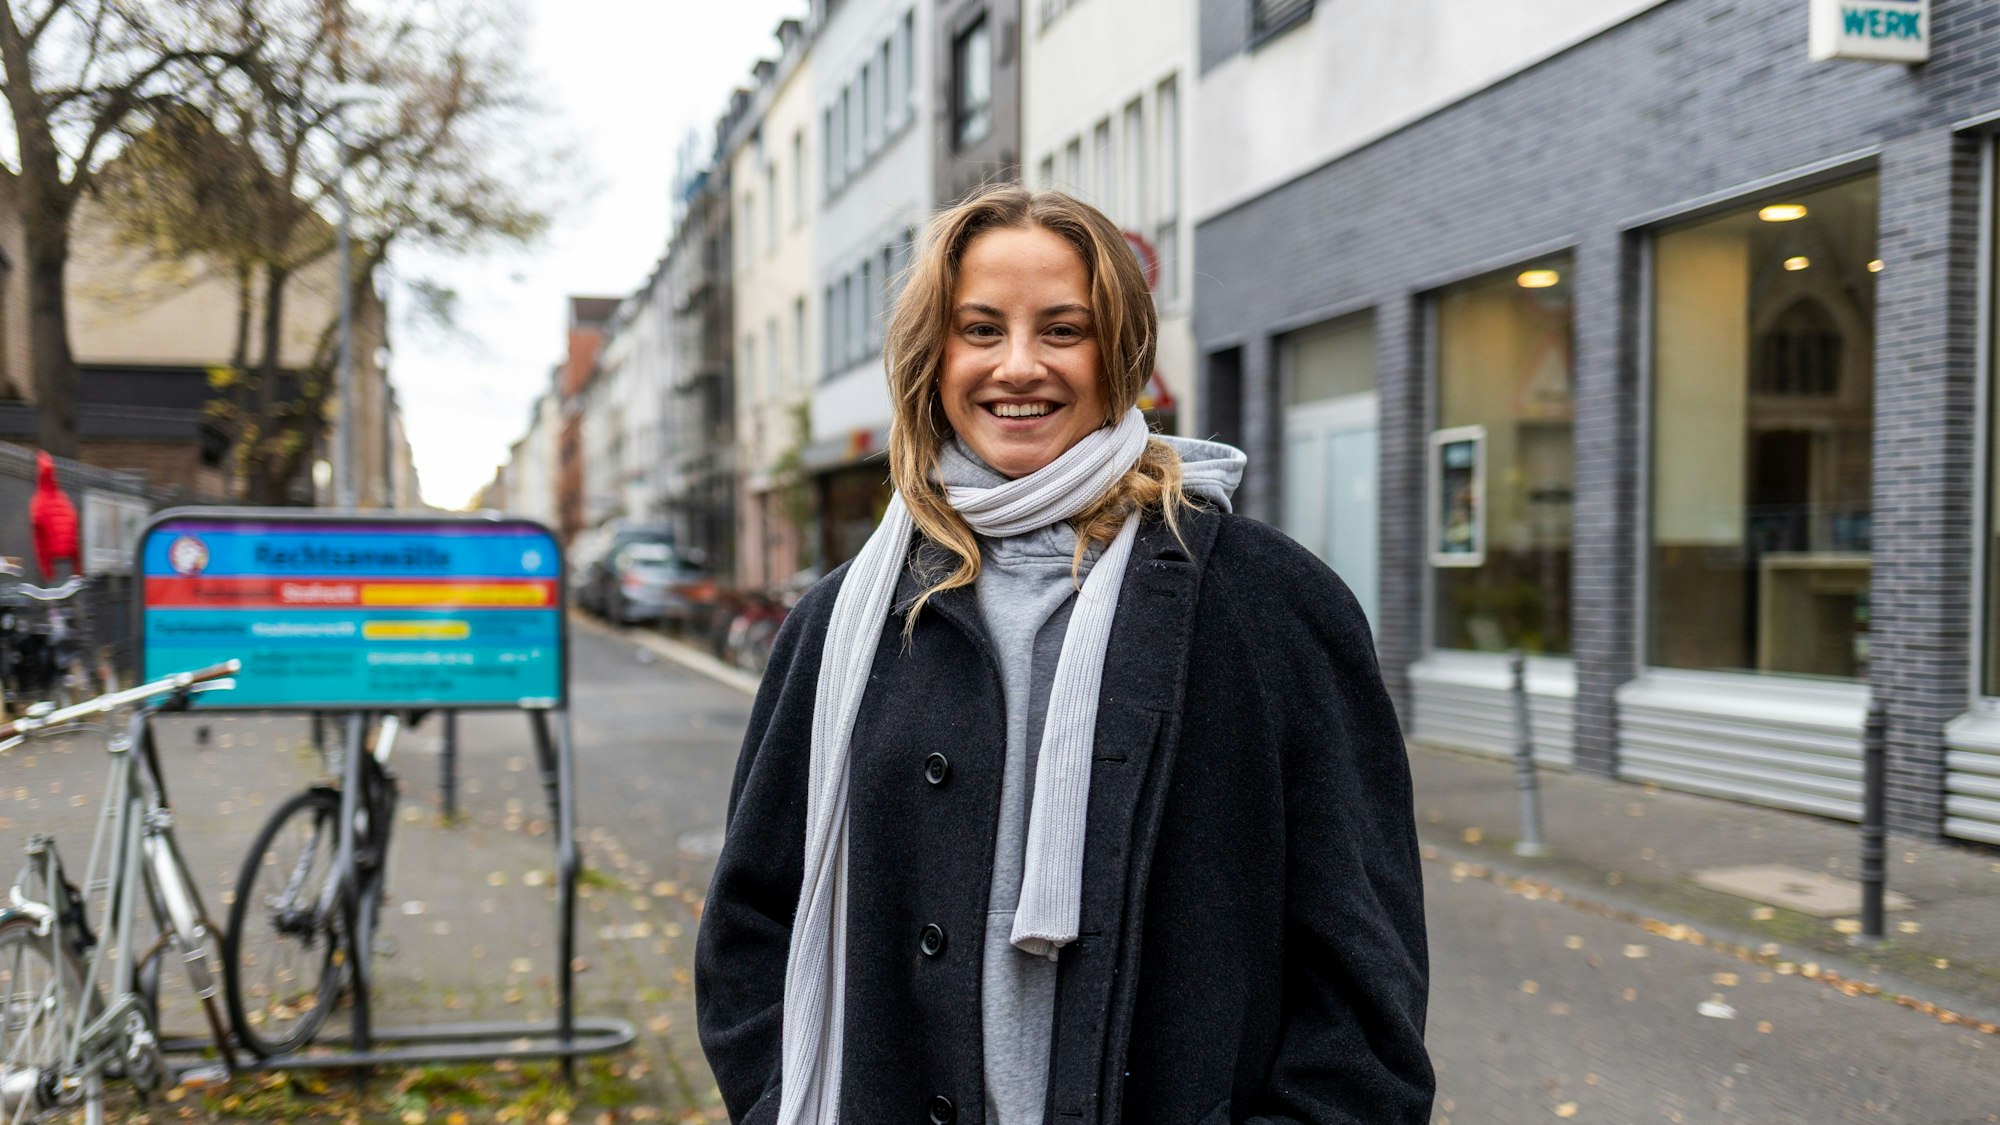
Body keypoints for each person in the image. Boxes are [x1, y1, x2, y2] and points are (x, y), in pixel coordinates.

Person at [695, 186, 1433, 1125]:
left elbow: (1364, 978)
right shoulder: (843, 621)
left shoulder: (1268, 606)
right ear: (934, 357)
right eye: (979, 328)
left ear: (1117, 351)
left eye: (1062, 328)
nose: (1018, 365)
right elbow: (753, 918)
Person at [29, 451, 80, 583]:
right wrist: (77, 568)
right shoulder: (63, 498)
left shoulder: (38, 502)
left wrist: (46, 570)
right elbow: (75, 532)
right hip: (69, 560)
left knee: (51, 597)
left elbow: (38, 539)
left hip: (52, 561)